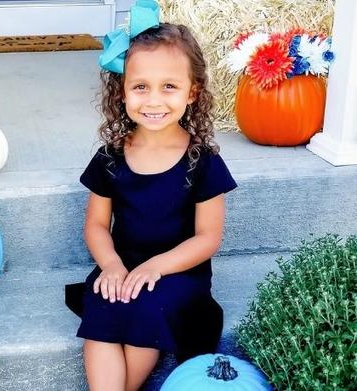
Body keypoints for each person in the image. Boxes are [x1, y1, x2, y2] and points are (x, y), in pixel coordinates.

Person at [65, 1, 237, 390]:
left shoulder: (201, 161)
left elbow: (208, 237)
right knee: (104, 304)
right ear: (122, 91)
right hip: (121, 265)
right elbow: (95, 224)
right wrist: (109, 264)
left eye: (169, 87)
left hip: (178, 272)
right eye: (140, 86)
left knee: (146, 306)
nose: (154, 100)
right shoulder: (111, 157)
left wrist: (157, 267)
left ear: (192, 93)